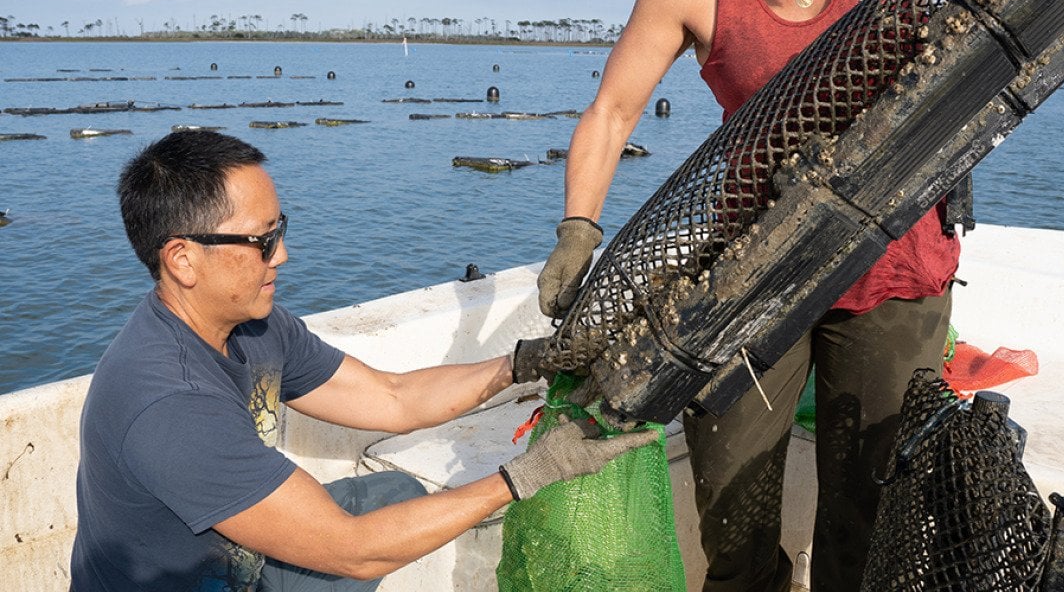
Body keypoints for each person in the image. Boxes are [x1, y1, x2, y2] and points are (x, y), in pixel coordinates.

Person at [536, 0, 1064, 590]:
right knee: (732, 509)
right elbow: (610, 113)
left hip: (895, 266)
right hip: (750, 279)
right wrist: (578, 229)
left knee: (872, 507)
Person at [71, 129, 657, 592]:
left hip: (240, 564)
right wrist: (529, 474)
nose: (284, 255)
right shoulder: (170, 404)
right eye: (262, 241)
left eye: (282, 230)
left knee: (392, 493)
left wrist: (528, 362)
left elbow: (391, 398)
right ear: (182, 259)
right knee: (363, 530)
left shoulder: (254, 326)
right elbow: (351, 549)